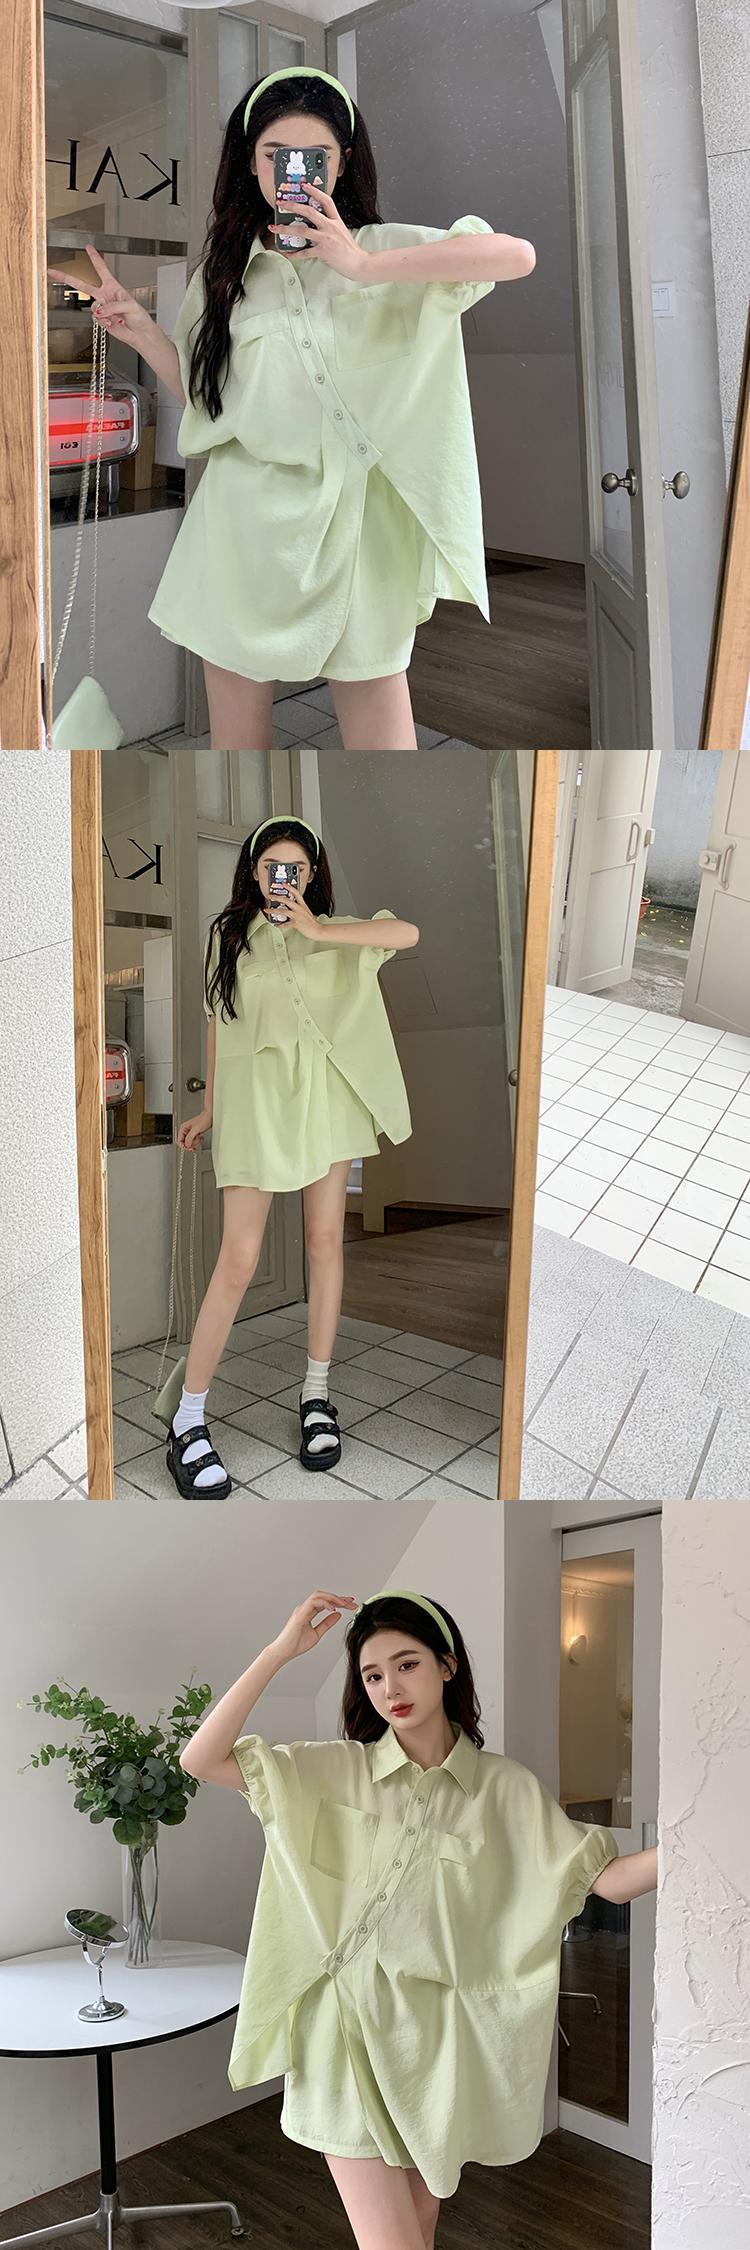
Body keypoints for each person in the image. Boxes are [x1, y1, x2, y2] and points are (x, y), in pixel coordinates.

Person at [48, 67, 537, 751]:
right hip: (242, 525)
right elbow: (209, 396)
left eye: (316, 156)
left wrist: (360, 266)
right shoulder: (223, 277)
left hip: (360, 529)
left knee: (385, 750)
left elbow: (516, 256)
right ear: (251, 163)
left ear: (342, 163)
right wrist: (141, 332)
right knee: (238, 748)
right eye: (276, 154)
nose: (294, 173)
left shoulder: (386, 248)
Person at [180, 1586, 658, 2250]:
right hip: (343, 2036)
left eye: (406, 1664)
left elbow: (605, 1880)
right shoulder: (336, 1769)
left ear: (447, 1665)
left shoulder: (506, 1789)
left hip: (432, 2048)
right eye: (373, 1675)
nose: (390, 1689)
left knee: (420, 2227)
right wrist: (279, 1652)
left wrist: (700, 1835)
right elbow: (200, 1759)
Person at [159, 816, 417, 1496]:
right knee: (239, 1258)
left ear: (312, 874)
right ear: (253, 872)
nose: (285, 877)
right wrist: (211, 1109)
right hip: (257, 1108)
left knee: (325, 1241)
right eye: (273, 865)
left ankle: (316, 1394)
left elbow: (406, 934)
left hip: (325, 1106)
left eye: (297, 867)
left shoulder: (334, 930)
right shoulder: (228, 937)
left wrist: (319, 931)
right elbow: (219, 1024)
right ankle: (187, 1419)